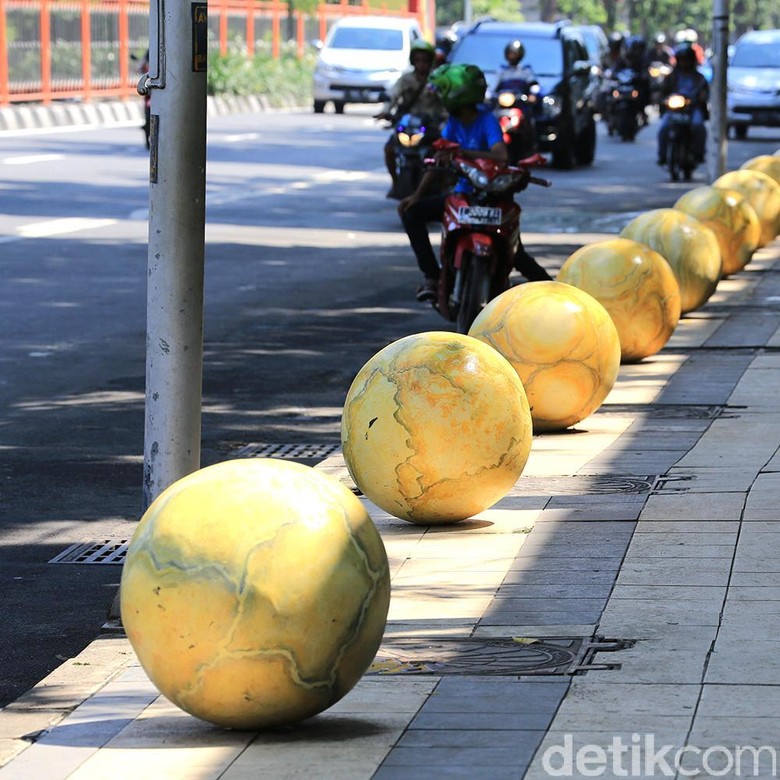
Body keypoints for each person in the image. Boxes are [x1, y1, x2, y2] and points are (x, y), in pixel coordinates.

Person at [397, 63, 551, 303]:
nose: (438, 97)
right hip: (462, 198)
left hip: (493, 198)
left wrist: (463, 152)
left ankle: (555, 293)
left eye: (442, 92)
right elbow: (440, 157)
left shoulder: (486, 121)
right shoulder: (454, 123)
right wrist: (416, 196)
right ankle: (432, 276)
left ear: (454, 94)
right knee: (411, 212)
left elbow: (500, 155)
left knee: (516, 253)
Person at [374, 40, 446, 198]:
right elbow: (392, 95)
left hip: (431, 127)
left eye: (425, 61)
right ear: (413, 61)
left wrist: (446, 118)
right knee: (389, 149)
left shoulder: (437, 80)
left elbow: (445, 102)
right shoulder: (405, 79)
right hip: (408, 126)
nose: (421, 64)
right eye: (418, 60)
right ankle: (395, 183)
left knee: (441, 154)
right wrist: (385, 111)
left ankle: (441, 186)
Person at [657, 44, 709, 166]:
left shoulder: (699, 78)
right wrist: (661, 98)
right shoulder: (671, 77)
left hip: (692, 108)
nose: (684, 63)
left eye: (687, 60)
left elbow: (705, 92)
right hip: (674, 110)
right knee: (664, 128)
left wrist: (701, 97)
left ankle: (699, 153)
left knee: (698, 125)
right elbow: (663, 91)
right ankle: (662, 155)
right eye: (682, 60)